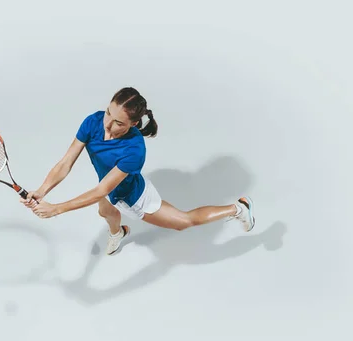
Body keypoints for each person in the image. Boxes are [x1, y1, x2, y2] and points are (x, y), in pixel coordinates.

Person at [20, 87, 255, 255]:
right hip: (109, 190)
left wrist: (57, 209)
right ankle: (119, 233)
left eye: (119, 123)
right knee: (105, 211)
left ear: (133, 124)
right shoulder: (93, 121)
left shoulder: (134, 149)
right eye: (109, 114)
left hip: (133, 197)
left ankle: (238, 208)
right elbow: (65, 163)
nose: (108, 125)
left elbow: (103, 188)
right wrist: (42, 191)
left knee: (184, 221)